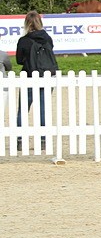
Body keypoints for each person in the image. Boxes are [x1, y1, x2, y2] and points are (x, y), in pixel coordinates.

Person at [14, 11, 57, 150]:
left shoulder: (24, 40)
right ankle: (43, 140)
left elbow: (19, 60)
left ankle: (20, 140)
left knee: (23, 109)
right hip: (46, 75)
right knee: (43, 109)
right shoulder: (47, 38)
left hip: (29, 75)